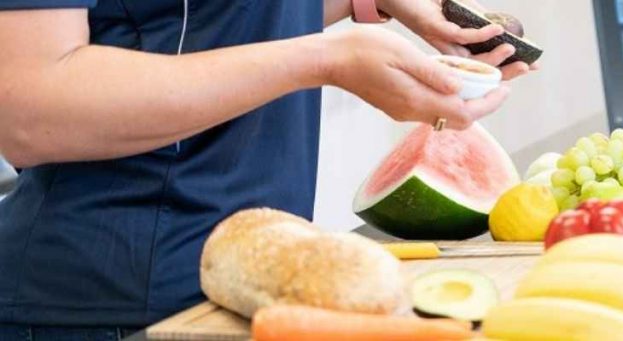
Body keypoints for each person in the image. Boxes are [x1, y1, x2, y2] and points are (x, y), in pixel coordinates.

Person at [0, 0, 534, 338]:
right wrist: (322, 60)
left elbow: (193, 19)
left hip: (246, 285)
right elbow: (27, 108)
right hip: (106, 304)